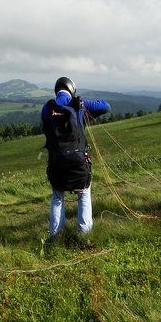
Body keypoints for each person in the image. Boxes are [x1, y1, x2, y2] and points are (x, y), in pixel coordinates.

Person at [41, 77, 110, 238]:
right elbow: (106, 106)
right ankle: (84, 234)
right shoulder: (79, 104)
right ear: (72, 89)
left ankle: (56, 235)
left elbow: (45, 129)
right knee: (84, 193)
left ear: (57, 90)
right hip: (78, 162)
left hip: (56, 163)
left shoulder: (47, 107)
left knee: (57, 197)